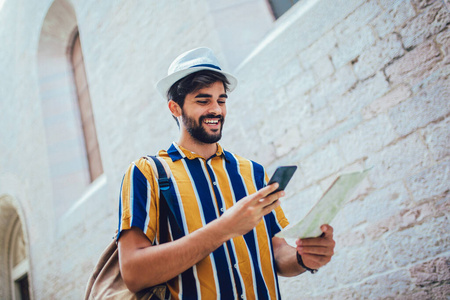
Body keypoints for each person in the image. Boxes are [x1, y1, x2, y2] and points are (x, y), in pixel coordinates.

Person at [117, 47, 335, 299]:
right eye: (203, 100)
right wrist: (225, 228)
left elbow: (276, 252)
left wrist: (303, 257)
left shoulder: (253, 172)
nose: (217, 110)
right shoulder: (147, 173)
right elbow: (133, 273)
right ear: (175, 108)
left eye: (221, 100)